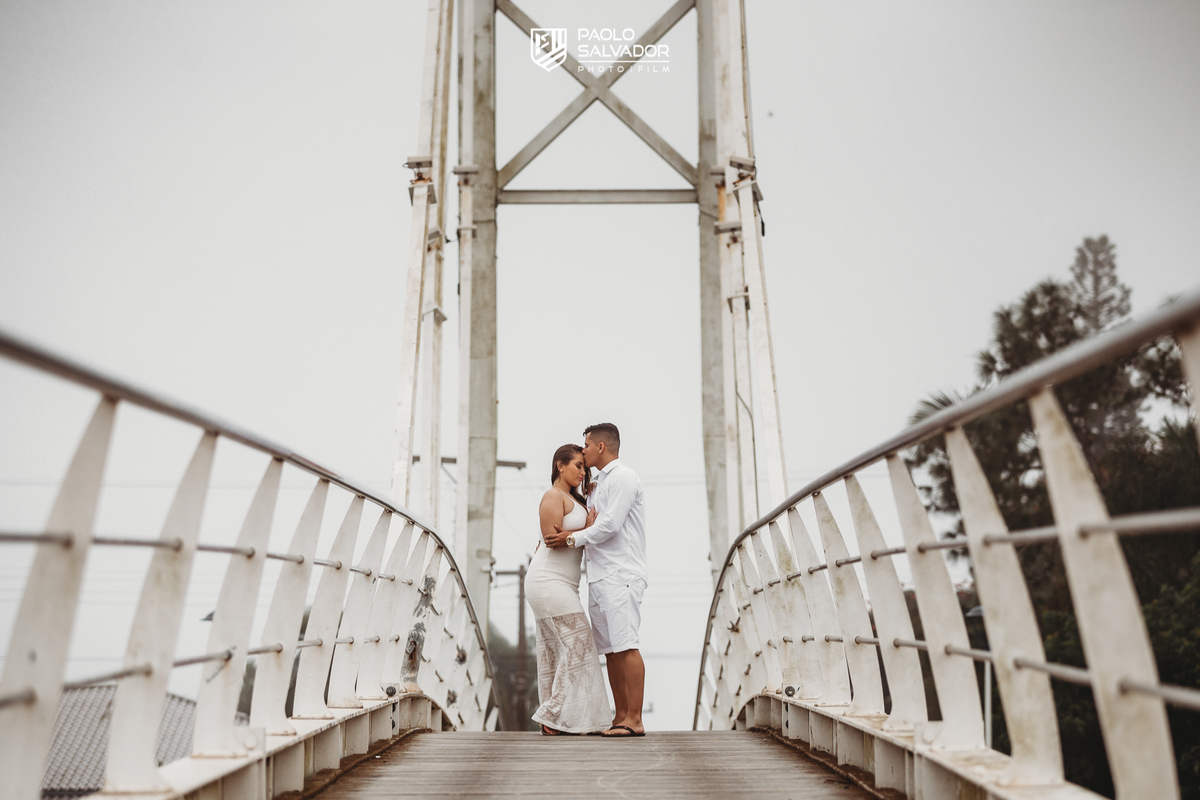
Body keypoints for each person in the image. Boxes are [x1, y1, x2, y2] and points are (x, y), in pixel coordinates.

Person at [545, 422, 647, 737]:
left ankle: (635, 719)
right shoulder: (598, 484)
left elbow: (611, 526)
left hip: (621, 573)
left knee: (626, 645)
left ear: (600, 447)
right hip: (600, 576)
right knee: (611, 650)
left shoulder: (624, 478)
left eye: (586, 445)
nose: (584, 451)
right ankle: (620, 717)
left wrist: (570, 540)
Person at [524, 443, 612, 735]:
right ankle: (551, 713)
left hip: (564, 584)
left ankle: (556, 720)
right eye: (577, 465)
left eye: (584, 467)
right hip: (548, 580)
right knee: (578, 644)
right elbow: (551, 538)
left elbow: (569, 536)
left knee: (557, 651)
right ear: (559, 465)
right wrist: (586, 529)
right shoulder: (552, 496)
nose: (582, 472)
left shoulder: (572, 498)